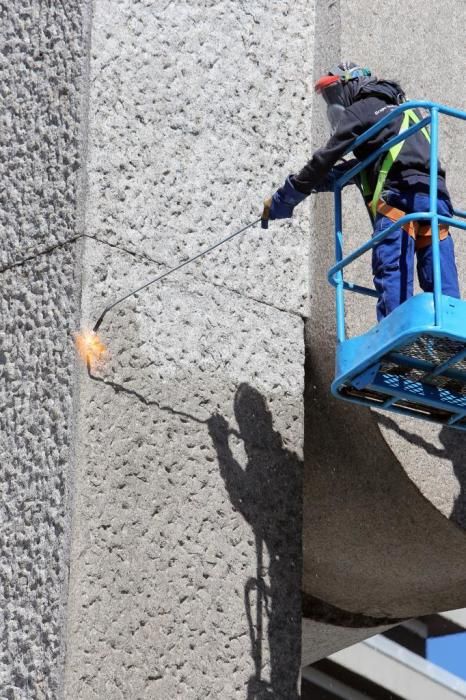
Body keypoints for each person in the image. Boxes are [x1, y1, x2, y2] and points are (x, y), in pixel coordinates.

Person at [265, 62, 460, 320]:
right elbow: (352, 170)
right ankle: (450, 333)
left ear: (351, 84)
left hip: (399, 201)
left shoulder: (362, 109)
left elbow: (325, 159)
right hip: (436, 201)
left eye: (333, 93)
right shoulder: (408, 112)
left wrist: (287, 196)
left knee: (393, 269)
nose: (335, 104)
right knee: (439, 271)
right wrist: (304, 190)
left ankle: (396, 340)